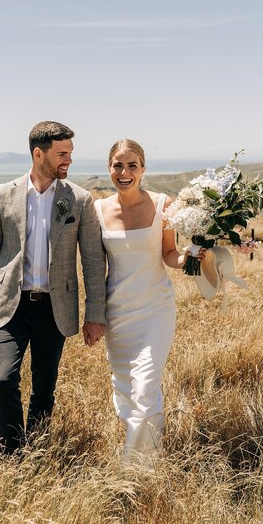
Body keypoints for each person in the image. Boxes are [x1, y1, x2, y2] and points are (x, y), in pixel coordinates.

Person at [0, 121, 107, 456]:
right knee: (4, 380)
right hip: (9, 305)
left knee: (44, 389)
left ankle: (38, 450)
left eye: (70, 153)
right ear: (38, 153)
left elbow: (91, 260)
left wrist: (95, 315)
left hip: (54, 307)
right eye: (62, 154)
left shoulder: (79, 199)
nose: (68, 160)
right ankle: (13, 455)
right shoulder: (5, 194)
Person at [94, 139, 202, 466]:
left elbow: (169, 253)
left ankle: (138, 470)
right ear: (109, 168)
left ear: (143, 168)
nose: (124, 172)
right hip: (118, 314)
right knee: (126, 392)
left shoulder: (162, 205)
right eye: (118, 165)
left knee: (145, 387)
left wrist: (190, 256)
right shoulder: (97, 210)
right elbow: (95, 268)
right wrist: (93, 316)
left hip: (155, 310)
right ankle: (146, 458)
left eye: (132, 165)